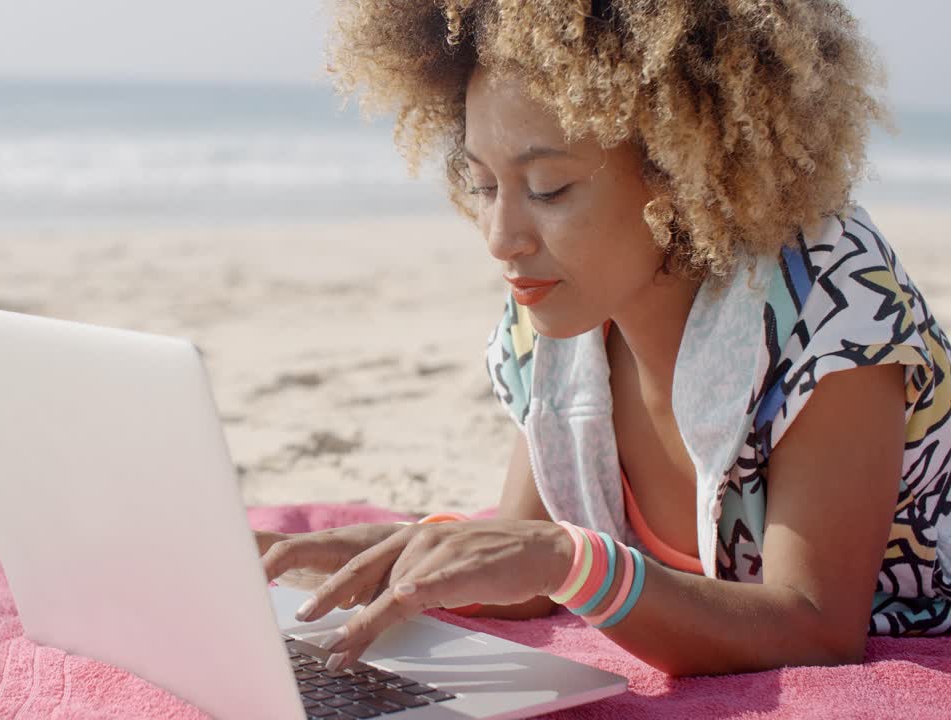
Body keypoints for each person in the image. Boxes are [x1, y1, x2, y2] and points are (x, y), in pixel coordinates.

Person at [255, 0, 951, 677]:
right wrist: (380, 554)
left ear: (682, 169)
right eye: (483, 184)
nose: (501, 239)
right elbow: (528, 568)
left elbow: (815, 628)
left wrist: (572, 562)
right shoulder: (557, 312)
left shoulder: (830, 303)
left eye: (549, 188)